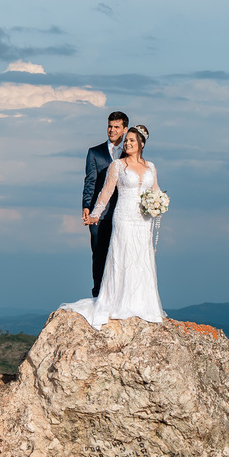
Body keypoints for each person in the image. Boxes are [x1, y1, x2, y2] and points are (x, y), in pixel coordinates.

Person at [63, 125, 166, 329]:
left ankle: (142, 304)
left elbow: (156, 190)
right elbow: (106, 192)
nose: (127, 143)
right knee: (123, 255)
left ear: (141, 144)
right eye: (126, 140)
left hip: (143, 220)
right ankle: (119, 302)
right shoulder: (118, 166)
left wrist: (161, 202)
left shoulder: (151, 167)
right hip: (124, 216)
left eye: (132, 141)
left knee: (141, 257)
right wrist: (94, 215)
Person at [83, 111, 128, 297]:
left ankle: (118, 293)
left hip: (123, 212)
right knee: (99, 253)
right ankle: (98, 292)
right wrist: (87, 206)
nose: (112, 130)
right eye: (110, 126)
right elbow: (90, 181)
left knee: (119, 255)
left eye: (116, 127)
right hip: (98, 213)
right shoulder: (95, 152)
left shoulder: (130, 153)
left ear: (124, 130)